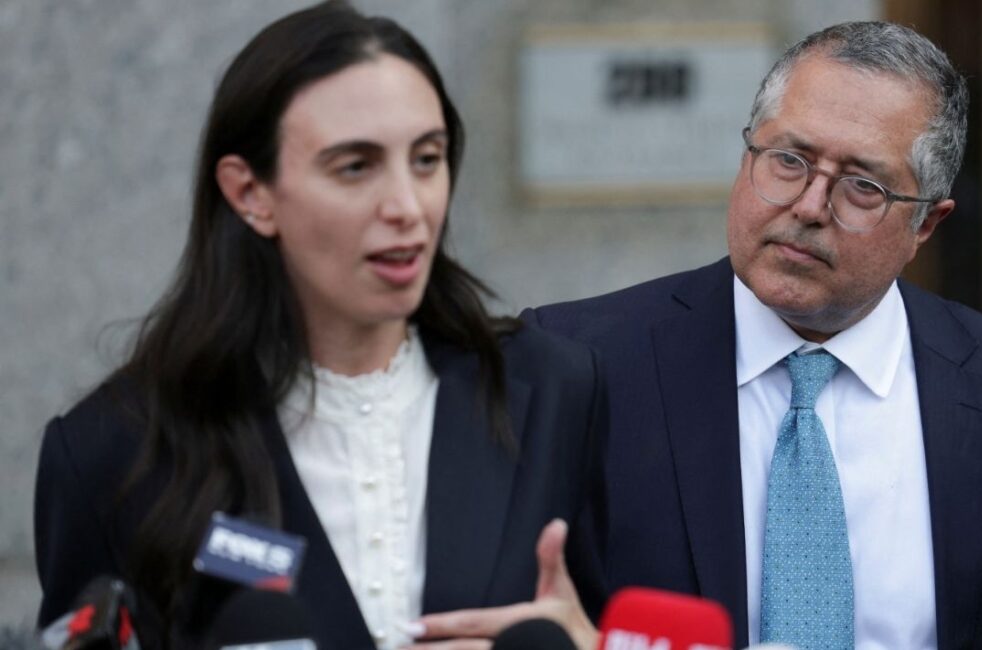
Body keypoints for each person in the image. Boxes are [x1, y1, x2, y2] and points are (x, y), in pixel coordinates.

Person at [525, 21, 982, 650]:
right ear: (746, 157)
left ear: (926, 225)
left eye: (862, 187)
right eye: (789, 160)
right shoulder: (571, 362)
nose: (809, 206)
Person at [34, 2, 603, 649]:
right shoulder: (115, 450)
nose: (407, 206)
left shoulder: (552, 390)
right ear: (250, 193)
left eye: (426, 159)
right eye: (355, 167)